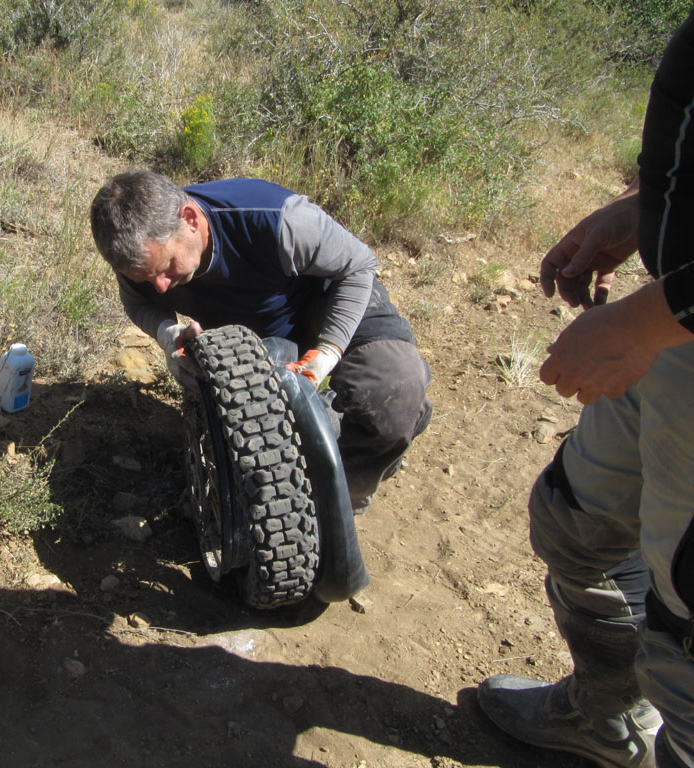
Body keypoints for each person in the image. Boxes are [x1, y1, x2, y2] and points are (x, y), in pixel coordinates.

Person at [477, 9, 694, 768]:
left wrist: (653, 317)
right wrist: (655, 208)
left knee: (687, 639)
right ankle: (605, 718)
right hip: (674, 333)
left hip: (671, 323)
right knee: (576, 522)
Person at [89, 171, 432, 512]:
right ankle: (337, 437)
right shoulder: (137, 251)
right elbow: (139, 302)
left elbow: (358, 265)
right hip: (258, 334)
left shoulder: (277, 220)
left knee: (394, 393)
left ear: (190, 220)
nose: (161, 287)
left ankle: (342, 500)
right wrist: (168, 334)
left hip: (329, 296)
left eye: (165, 268)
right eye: (146, 278)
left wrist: (329, 350)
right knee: (251, 453)